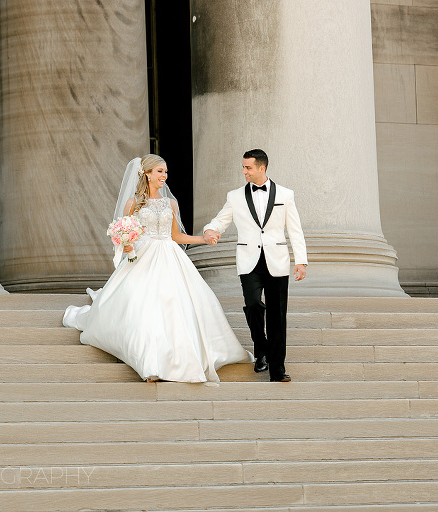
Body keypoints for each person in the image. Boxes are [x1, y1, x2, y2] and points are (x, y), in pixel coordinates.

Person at [63, 154, 252, 383]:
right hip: (142, 256)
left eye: (166, 172)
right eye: (160, 171)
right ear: (147, 174)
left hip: (169, 256)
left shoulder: (170, 203)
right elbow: (124, 234)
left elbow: (175, 236)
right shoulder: (133, 203)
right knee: (142, 305)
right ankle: (149, 362)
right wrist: (128, 244)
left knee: (178, 303)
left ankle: (176, 356)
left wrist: (204, 239)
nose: (165, 176)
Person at [203, 149, 308, 382]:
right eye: (243, 167)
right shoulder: (235, 196)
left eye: (248, 167)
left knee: (278, 316)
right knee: (252, 305)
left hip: (277, 261)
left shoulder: (286, 194)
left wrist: (300, 260)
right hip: (249, 261)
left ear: (262, 168)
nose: (244, 171)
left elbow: (295, 229)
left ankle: (278, 371)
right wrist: (210, 230)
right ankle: (261, 347)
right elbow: (221, 220)